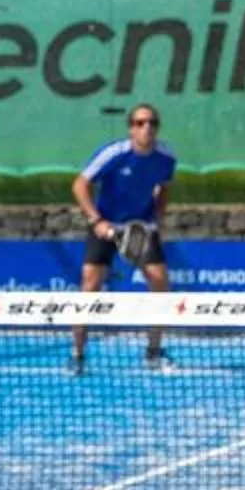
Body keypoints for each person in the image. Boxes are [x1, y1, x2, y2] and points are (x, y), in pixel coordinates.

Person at [70, 103, 176, 371]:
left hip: (141, 227)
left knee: (161, 284)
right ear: (131, 128)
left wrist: (156, 218)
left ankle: (153, 352)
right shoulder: (113, 154)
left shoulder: (166, 157)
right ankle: (77, 354)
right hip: (105, 226)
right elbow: (80, 184)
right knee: (89, 287)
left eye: (152, 122)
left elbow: (164, 187)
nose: (147, 128)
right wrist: (96, 221)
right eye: (140, 123)